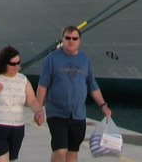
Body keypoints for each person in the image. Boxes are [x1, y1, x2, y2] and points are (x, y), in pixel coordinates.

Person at [36, 26, 111, 162]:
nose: (71, 41)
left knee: (72, 153)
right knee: (60, 150)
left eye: (74, 38)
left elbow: (92, 86)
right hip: (57, 113)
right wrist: (38, 109)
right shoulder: (51, 59)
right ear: (62, 39)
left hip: (78, 115)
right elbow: (43, 85)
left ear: (79, 41)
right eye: (68, 38)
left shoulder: (84, 60)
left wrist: (103, 106)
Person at [0, 46, 44, 162]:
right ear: (4, 64)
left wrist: (38, 112)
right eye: (13, 64)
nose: (17, 66)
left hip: (17, 128)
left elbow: (32, 100)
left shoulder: (23, 79)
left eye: (18, 63)